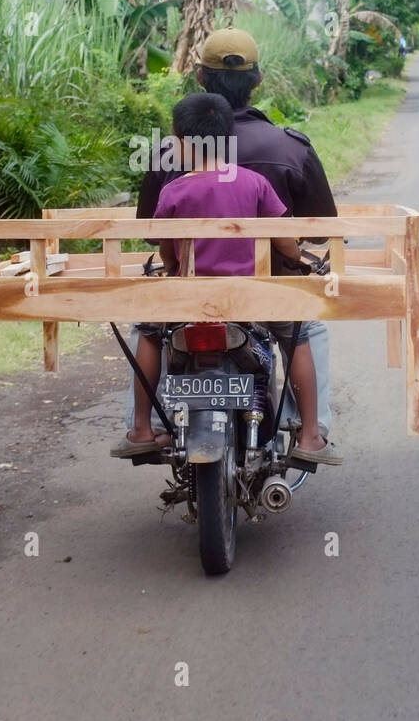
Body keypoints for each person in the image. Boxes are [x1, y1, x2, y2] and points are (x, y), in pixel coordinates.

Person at [131, 27, 341, 462]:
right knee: (308, 328)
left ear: (200, 79)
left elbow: (156, 233)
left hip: (189, 292)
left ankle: (141, 427)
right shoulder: (289, 147)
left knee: (147, 328)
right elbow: (315, 230)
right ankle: (308, 431)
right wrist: (294, 254)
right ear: (258, 79)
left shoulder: (169, 155)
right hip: (264, 293)